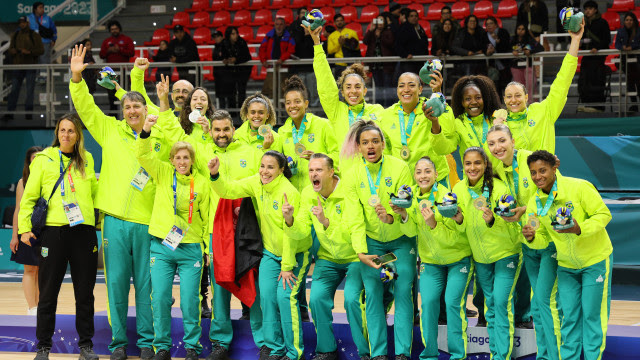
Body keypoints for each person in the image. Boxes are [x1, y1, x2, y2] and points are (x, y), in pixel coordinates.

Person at [70, 44, 169, 360]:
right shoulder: (110, 131)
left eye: (137, 106)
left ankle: (147, 343)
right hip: (113, 220)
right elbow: (86, 107)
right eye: (127, 107)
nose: (131, 111)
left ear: (145, 109)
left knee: (145, 288)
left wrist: (139, 77)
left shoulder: (160, 140)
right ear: (122, 111)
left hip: (146, 222)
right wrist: (76, 78)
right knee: (115, 286)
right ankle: (117, 345)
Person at [155, 106, 265, 360]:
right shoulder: (202, 153)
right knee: (219, 289)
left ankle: (264, 340)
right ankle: (220, 341)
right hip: (218, 231)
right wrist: (162, 102)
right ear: (211, 131)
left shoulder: (251, 152)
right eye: (217, 129)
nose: (222, 133)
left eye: (226, 128)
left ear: (234, 129)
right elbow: (175, 138)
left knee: (254, 286)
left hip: (247, 231)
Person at [209, 150, 310, 360]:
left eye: (270, 167)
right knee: (265, 298)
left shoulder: (288, 192)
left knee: (285, 299)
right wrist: (215, 175)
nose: (264, 171)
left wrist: (287, 266)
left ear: (282, 170)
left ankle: (294, 354)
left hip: (294, 254)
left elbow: (290, 234)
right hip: (270, 253)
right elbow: (229, 190)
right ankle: (275, 349)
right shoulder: (257, 182)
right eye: (262, 166)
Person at [18, 114, 99, 360]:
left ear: (78, 135)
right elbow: (29, 197)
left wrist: (100, 221)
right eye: (62, 130)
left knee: (85, 294)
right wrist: (24, 228)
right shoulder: (44, 160)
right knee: (48, 292)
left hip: (83, 233)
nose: (66, 135)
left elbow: (94, 195)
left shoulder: (88, 159)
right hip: (54, 233)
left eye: (71, 131)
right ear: (57, 133)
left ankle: (86, 346)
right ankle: (43, 346)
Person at [523, 150, 613, 360]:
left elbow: (603, 214)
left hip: (595, 260)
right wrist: (530, 238)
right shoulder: (534, 202)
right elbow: (543, 237)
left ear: (555, 168)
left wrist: (579, 228)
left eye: (543, 170)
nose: (538, 177)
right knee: (569, 317)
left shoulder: (578, 187)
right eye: (533, 172)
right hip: (566, 266)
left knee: (592, 316)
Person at [136, 115, 210, 360]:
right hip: (162, 246)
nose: (181, 161)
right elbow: (144, 156)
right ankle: (162, 347)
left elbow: (207, 215)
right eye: (177, 157)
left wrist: (207, 248)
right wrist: (146, 129)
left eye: (186, 157)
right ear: (171, 160)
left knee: (190, 301)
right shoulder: (163, 173)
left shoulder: (201, 182)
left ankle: (192, 348)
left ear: (192, 160)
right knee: (160, 298)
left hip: (191, 249)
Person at [486, 125, 562, 359]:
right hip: (527, 242)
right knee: (537, 307)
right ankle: (544, 355)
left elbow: (554, 190)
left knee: (546, 303)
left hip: (548, 239)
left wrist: (525, 211)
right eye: (491, 144)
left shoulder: (531, 161)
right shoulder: (496, 168)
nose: (497, 147)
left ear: (513, 140)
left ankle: (556, 355)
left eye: (502, 141)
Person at [341, 120, 415, 360]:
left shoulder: (400, 167)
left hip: (401, 242)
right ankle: (379, 355)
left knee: (402, 290)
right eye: (365, 143)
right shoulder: (352, 175)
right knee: (372, 294)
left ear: (383, 144)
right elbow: (354, 218)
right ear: (359, 147)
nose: (370, 146)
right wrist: (361, 252)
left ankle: (403, 353)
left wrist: (391, 217)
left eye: (375, 141)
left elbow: (406, 206)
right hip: (372, 244)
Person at [288, 153, 369, 360]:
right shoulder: (308, 193)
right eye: (311, 170)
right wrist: (289, 221)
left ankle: (365, 352)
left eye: (318, 170)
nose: (313, 174)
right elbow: (303, 231)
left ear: (332, 172)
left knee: (351, 299)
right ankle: (326, 349)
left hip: (353, 257)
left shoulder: (348, 191)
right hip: (327, 258)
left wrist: (326, 221)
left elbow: (354, 230)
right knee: (316, 299)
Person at [396, 156, 472, 360]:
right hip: (431, 263)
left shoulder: (447, 197)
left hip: (458, 259)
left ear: (436, 174)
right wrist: (404, 215)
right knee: (428, 304)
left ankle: (458, 355)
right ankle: (429, 355)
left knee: (452, 303)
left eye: (427, 171)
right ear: (414, 175)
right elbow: (411, 231)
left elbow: (457, 235)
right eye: (419, 172)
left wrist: (433, 225)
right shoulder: (411, 198)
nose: (423, 176)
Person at [451, 146, 521, 360]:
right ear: (464, 166)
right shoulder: (459, 190)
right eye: (469, 163)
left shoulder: (499, 188)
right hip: (480, 258)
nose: (473, 167)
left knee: (501, 302)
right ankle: (495, 354)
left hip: (505, 254)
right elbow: (460, 229)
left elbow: (513, 224)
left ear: (485, 165)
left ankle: (502, 356)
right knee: (490, 307)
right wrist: (459, 220)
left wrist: (492, 220)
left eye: (477, 163)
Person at [309, 24, 384, 175]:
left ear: (364, 90)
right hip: (343, 175)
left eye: (357, 87)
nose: (353, 91)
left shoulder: (377, 111)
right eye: (348, 87)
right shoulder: (337, 111)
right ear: (342, 92)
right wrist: (317, 44)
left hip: (373, 175)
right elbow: (325, 84)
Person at [502, 21, 582, 153]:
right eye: (509, 97)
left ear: (526, 97)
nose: (513, 100)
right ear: (504, 100)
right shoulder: (500, 123)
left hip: (545, 173)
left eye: (518, 95)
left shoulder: (543, 112)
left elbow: (562, 81)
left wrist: (575, 40)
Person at [378, 71, 451, 187]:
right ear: (397, 90)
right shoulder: (386, 116)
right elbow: (385, 151)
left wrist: (437, 92)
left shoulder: (430, 108)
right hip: (402, 181)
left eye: (411, 85)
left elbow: (446, 132)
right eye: (401, 86)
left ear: (420, 89)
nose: (406, 89)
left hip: (434, 178)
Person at [277, 75, 339, 190]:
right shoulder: (282, 132)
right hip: (293, 194)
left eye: (297, 101)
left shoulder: (323, 125)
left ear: (306, 103)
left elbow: (338, 157)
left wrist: (318, 159)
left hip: (319, 191)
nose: (292, 106)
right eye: (288, 103)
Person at [10, 146, 43, 315]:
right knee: (30, 270)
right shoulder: (23, 181)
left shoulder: (49, 179)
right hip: (26, 231)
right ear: (29, 162)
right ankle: (32, 308)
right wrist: (15, 235)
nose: (37, 161)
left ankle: (40, 307)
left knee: (43, 270)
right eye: (33, 158)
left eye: (40, 157)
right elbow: (18, 209)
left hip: (45, 231)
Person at [5, 16, 43, 121]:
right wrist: (13, 51)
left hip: (30, 65)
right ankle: (10, 112)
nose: (22, 24)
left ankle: (28, 113)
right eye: (20, 23)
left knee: (30, 91)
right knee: (14, 90)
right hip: (18, 66)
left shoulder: (34, 35)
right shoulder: (16, 35)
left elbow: (41, 50)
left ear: (27, 23)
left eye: (23, 22)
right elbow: (10, 49)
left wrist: (29, 52)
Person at [577, 0, 610, 113]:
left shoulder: (603, 23)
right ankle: (587, 104)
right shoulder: (583, 24)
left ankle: (598, 107)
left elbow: (607, 40)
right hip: (587, 57)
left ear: (595, 10)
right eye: (586, 9)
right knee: (584, 81)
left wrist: (598, 48)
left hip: (598, 58)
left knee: (596, 81)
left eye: (590, 9)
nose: (587, 11)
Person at [258, 17, 296, 100]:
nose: (279, 27)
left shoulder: (289, 37)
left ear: (284, 26)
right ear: (274, 25)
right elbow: (262, 49)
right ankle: (272, 110)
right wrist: (263, 60)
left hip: (284, 68)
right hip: (271, 68)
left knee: (283, 90)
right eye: (277, 24)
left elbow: (291, 50)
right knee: (270, 90)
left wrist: (282, 59)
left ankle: (283, 111)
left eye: (281, 24)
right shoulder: (268, 36)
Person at [217, 26, 252, 111]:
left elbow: (247, 56)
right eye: (233, 34)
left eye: (236, 33)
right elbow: (220, 55)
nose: (235, 35)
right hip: (230, 72)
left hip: (242, 71)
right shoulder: (224, 43)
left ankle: (242, 111)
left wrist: (236, 60)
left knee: (241, 92)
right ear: (228, 35)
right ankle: (232, 112)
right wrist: (224, 59)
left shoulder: (242, 42)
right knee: (230, 92)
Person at [363, 15, 396, 107]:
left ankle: (389, 107)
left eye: (382, 20)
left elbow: (390, 43)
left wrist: (380, 35)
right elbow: (365, 41)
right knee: (378, 88)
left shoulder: (388, 31)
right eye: (378, 20)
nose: (380, 23)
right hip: (375, 65)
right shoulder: (372, 32)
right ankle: (379, 106)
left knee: (387, 86)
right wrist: (371, 30)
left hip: (386, 65)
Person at [289, 14, 320, 108]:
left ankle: (315, 109)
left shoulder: (314, 37)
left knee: (313, 90)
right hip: (301, 69)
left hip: (311, 69)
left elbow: (314, 50)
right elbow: (298, 51)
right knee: (302, 91)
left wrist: (308, 35)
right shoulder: (298, 38)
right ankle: (304, 107)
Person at [509, 23, 545, 101]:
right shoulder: (512, 39)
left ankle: (532, 106)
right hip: (516, 67)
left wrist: (530, 51)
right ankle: (521, 107)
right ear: (516, 30)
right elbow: (505, 48)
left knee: (531, 86)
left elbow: (541, 48)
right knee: (519, 89)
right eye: (519, 29)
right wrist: (512, 51)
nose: (520, 31)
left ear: (526, 31)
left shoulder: (529, 39)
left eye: (523, 29)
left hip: (528, 66)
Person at [615, 12, 640, 112]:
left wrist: (632, 47)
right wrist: (623, 47)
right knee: (630, 84)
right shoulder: (621, 31)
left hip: (638, 60)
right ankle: (634, 105)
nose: (628, 22)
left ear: (634, 21)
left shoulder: (639, 31)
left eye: (630, 20)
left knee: (639, 83)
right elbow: (617, 44)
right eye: (626, 20)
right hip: (626, 61)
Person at [395, 9, 429, 75]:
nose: (414, 18)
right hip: (408, 62)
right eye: (411, 16)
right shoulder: (403, 28)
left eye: (416, 16)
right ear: (408, 18)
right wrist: (405, 54)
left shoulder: (420, 28)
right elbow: (398, 45)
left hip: (419, 61)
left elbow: (425, 42)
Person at [27, 1, 56, 78]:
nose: (42, 9)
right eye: (40, 7)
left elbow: (53, 30)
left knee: (44, 60)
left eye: (43, 7)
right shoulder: (29, 18)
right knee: (34, 60)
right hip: (33, 43)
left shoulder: (47, 18)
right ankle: (35, 77)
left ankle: (44, 78)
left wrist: (53, 39)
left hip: (45, 42)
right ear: (35, 9)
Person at [485, 17, 512, 91]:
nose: (489, 26)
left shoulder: (503, 32)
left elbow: (507, 46)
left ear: (496, 25)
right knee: (494, 84)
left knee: (506, 83)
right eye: (487, 24)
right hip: (492, 64)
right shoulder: (484, 35)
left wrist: (497, 40)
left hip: (504, 63)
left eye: (491, 23)